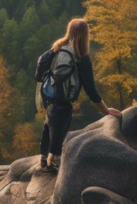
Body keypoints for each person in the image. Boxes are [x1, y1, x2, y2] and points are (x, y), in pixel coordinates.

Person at [39, 18, 121, 173]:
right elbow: (91, 91)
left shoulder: (57, 48)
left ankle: (44, 160)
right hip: (64, 104)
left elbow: (41, 73)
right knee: (57, 133)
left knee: (49, 125)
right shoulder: (81, 58)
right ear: (85, 35)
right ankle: (50, 164)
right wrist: (106, 110)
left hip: (49, 98)